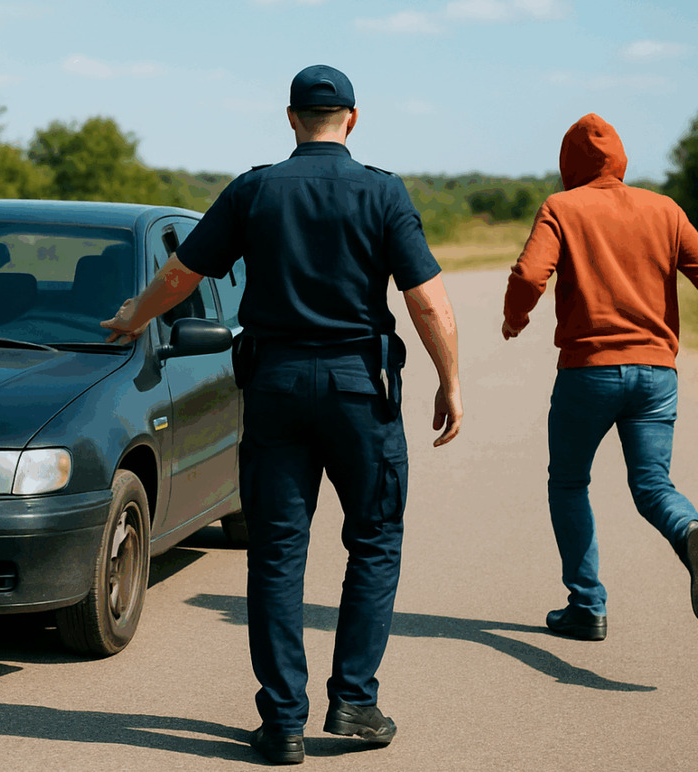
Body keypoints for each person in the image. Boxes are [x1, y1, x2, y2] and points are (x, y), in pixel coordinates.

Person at [101, 64, 462, 765]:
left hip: (276, 386)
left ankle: (284, 723)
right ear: (352, 119)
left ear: (291, 119)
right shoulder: (384, 192)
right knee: (376, 542)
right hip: (362, 389)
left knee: (276, 554)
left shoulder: (255, 189)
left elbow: (184, 275)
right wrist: (451, 381)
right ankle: (355, 703)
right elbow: (428, 302)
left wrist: (132, 316)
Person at [501, 113, 698, 643]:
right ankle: (691, 530)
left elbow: (530, 274)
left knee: (568, 482)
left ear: (569, 164)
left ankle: (586, 606)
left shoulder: (562, 207)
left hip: (588, 374)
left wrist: (516, 318)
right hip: (656, 374)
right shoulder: (665, 210)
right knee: (653, 485)